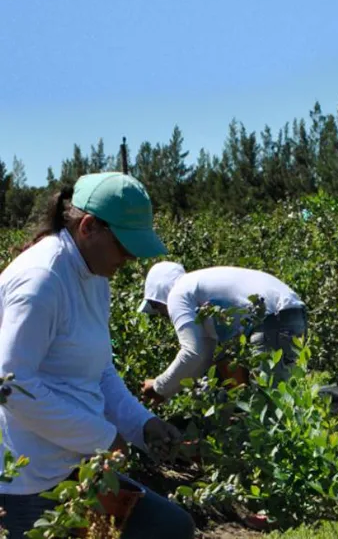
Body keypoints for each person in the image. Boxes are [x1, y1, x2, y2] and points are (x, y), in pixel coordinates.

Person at [0, 172, 195, 539]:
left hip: (79, 466)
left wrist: (142, 424)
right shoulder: (41, 280)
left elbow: (100, 371)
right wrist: (102, 437)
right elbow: (11, 386)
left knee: (171, 526)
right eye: (124, 245)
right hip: (28, 480)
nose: (131, 257)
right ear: (89, 227)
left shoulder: (95, 277)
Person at [137, 262, 308, 402]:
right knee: (287, 393)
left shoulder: (177, 292)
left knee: (269, 402)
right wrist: (166, 391)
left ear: (160, 293)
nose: (160, 313)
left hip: (271, 320)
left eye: (154, 305)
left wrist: (158, 386)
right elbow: (204, 356)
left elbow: (192, 353)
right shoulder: (197, 285)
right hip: (292, 314)